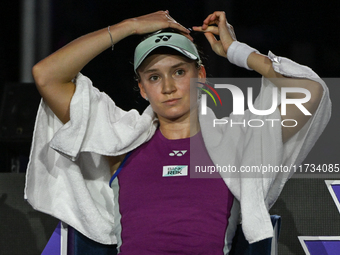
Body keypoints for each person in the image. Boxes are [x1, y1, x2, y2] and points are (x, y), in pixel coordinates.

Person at [25, 10, 331, 254]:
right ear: (142, 89)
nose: (168, 87)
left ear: (200, 75)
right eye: (155, 77)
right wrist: (131, 25)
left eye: (179, 72)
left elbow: (309, 91)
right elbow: (47, 75)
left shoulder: (237, 141)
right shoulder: (122, 139)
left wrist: (236, 51)